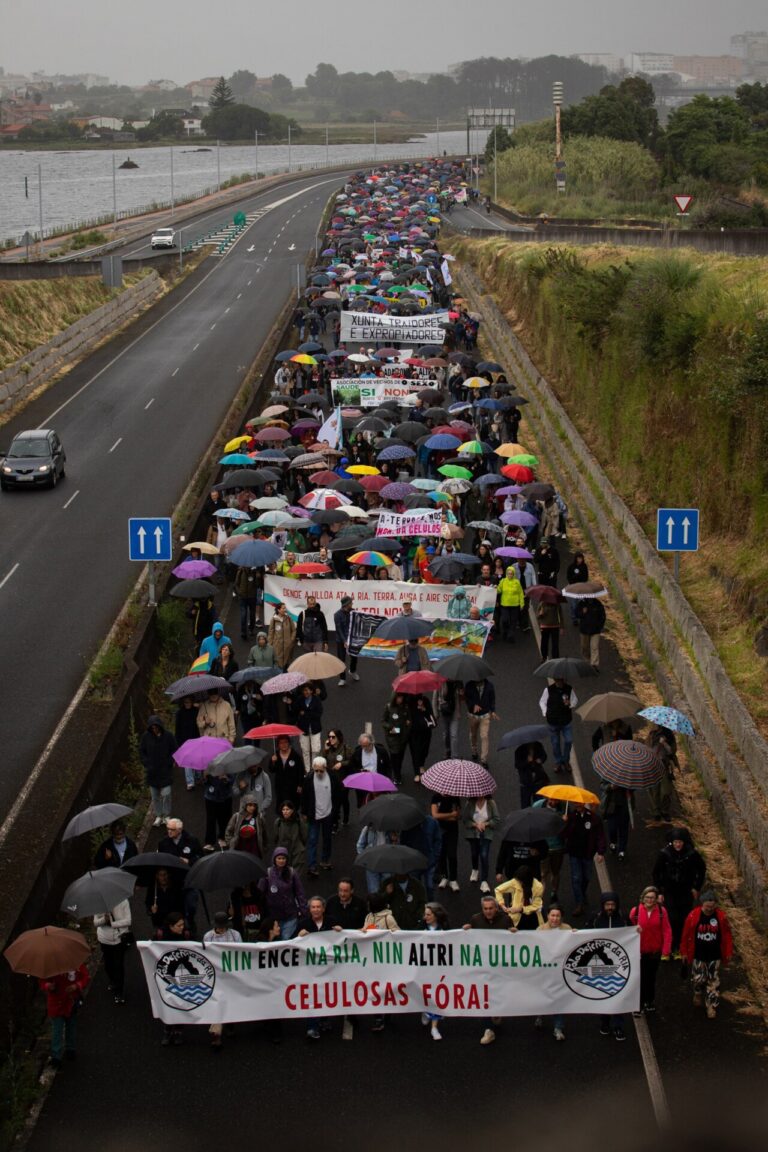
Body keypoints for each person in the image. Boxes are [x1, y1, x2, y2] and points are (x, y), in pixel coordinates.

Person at [466, 893, 515, 1044]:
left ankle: (497, 1011)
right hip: (483, 967)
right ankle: (488, 1030)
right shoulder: (475, 919)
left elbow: (514, 942)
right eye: (485, 909)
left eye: (491, 908)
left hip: (501, 966)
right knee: (484, 994)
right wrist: (465, 931)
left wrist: (515, 934)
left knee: (498, 992)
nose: (488, 911)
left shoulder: (506, 919)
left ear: (496, 908)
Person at [652, 827, 706, 955]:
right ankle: (670, 944)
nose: (678, 845)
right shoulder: (665, 854)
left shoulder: (692, 854)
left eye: (680, 842)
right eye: (675, 842)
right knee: (672, 918)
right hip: (670, 891)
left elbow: (702, 869)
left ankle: (680, 944)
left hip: (686, 891)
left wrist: (696, 887)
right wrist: (659, 892)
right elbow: (656, 873)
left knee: (684, 918)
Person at [680, 890, 733, 1020]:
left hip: (714, 955)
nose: (709, 909)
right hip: (698, 954)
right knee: (698, 978)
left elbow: (726, 935)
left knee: (713, 981)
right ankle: (697, 992)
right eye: (707, 906)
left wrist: (728, 952)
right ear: (702, 904)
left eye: (712, 906)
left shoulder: (720, 917)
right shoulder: (693, 916)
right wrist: (684, 952)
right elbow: (685, 935)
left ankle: (711, 1005)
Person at [587, 892, 630, 1041]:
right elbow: (585, 935)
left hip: (620, 964)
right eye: (607, 905)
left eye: (612, 905)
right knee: (603, 995)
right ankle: (604, 1021)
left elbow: (631, 933)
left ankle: (618, 1026)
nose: (610, 908)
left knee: (618, 995)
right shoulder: (595, 918)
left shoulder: (623, 918)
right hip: (601, 964)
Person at [203, 913, 243, 1049]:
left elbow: (242, 952)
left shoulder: (235, 935)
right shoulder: (208, 937)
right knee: (218, 1003)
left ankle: (230, 1023)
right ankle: (216, 1034)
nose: (221, 929)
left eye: (223, 927)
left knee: (230, 1000)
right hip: (217, 975)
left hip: (232, 974)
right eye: (219, 927)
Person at [630, 886, 672, 1015]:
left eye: (652, 898)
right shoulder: (635, 911)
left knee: (651, 978)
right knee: (640, 978)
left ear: (656, 899)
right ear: (643, 898)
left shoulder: (661, 911)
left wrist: (666, 950)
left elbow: (666, 930)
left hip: (654, 952)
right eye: (647, 897)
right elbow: (629, 929)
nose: (649, 900)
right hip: (639, 952)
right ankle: (639, 1004)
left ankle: (649, 1001)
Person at [40, 964, 90, 1068]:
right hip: (56, 1003)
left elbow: (85, 977)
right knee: (57, 1030)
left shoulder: (76, 963)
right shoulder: (49, 966)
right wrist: (48, 986)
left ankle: (70, 1049)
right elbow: (42, 982)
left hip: (71, 1001)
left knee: (71, 1026)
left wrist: (76, 986)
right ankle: (56, 1056)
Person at [158, 819, 203, 932]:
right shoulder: (163, 843)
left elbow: (201, 857)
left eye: (172, 830)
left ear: (179, 830)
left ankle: (190, 922)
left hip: (189, 881)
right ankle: (179, 930)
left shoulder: (192, 840)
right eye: (167, 829)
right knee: (176, 909)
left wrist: (189, 861)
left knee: (191, 906)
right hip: (172, 882)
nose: (169, 832)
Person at [536, 906, 573, 1040]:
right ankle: (539, 1014)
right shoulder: (540, 930)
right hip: (544, 970)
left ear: (561, 917)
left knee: (558, 999)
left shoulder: (567, 929)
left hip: (559, 972)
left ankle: (558, 1027)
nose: (555, 918)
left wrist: (577, 936)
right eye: (552, 915)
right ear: (547, 916)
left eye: (557, 916)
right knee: (542, 995)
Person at [301, 756, 342, 878]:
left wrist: (336, 813)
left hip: (328, 814)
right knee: (312, 840)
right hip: (314, 815)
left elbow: (337, 796)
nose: (318, 773)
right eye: (316, 770)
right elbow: (304, 797)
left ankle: (325, 860)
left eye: (321, 770)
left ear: (325, 768)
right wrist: (304, 812)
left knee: (327, 839)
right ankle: (312, 865)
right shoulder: (308, 779)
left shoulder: (333, 777)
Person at [562, 803, 606, 916]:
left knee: (586, 877)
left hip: (587, 854)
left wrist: (601, 852)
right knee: (576, 878)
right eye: (575, 803)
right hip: (574, 853)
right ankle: (579, 903)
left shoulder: (593, 818)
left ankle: (581, 893)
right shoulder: (570, 816)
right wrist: (564, 823)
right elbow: (564, 834)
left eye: (579, 803)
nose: (577, 805)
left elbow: (600, 835)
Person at [258, 847, 308, 940]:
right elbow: (260, 893)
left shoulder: (292, 873)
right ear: (274, 859)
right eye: (279, 858)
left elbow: (300, 893)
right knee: (275, 941)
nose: (281, 861)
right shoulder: (268, 873)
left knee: (286, 940)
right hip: (273, 918)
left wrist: (304, 911)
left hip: (290, 915)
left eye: (283, 858)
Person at [140, 714, 177, 828]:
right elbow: (142, 752)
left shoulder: (168, 736)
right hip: (152, 772)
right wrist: (147, 764)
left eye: (156, 727)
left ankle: (166, 815)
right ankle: (158, 815)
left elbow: (175, 750)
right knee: (155, 796)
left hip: (165, 771)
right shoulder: (146, 737)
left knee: (166, 794)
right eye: (152, 727)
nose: (154, 729)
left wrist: (169, 762)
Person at [419, 903, 450, 1040]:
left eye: (428, 915)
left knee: (438, 994)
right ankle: (425, 1011)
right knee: (424, 992)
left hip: (439, 967)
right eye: (425, 914)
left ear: (436, 916)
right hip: (423, 967)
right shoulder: (420, 926)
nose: (425, 917)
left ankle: (434, 1027)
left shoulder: (445, 928)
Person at [93, 898, 131, 1005]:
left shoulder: (123, 901)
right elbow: (95, 922)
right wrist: (104, 919)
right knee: (108, 965)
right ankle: (113, 981)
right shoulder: (98, 904)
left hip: (119, 939)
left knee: (118, 965)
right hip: (104, 939)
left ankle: (119, 992)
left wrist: (113, 923)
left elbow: (128, 920)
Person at [539, 677, 577, 774]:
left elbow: (575, 700)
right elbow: (542, 702)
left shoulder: (569, 689)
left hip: (566, 721)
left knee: (568, 741)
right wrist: (545, 712)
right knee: (555, 743)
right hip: (553, 722)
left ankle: (565, 760)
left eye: (561, 680)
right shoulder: (548, 690)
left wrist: (570, 704)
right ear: (555, 680)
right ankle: (558, 761)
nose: (560, 682)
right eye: (558, 680)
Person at [463, 794, 500, 892]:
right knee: (474, 853)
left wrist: (485, 824)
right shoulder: (470, 803)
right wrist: (475, 825)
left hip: (486, 834)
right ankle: (475, 869)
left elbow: (496, 819)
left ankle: (484, 881)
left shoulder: (491, 803)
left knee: (484, 855)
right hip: (473, 834)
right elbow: (465, 819)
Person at [495, 864, 544, 929]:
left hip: (533, 917)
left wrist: (521, 909)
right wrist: (502, 905)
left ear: (527, 879)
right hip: (516, 917)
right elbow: (498, 890)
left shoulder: (538, 887)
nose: (519, 882)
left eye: (521, 881)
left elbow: (536, 906)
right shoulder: (515, 881)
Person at [647, 726, 679, 822]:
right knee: (654, 790)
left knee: (666, 791)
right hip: (652, 765)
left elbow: (672, 752)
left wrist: (664, 743)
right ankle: (656, 811)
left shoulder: (669, 736)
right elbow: (646, 747)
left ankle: (665, 810)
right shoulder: (652, 734)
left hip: (664, 766)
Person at [465, 678, 498, 768]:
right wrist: (473, 705)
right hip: (473, 716)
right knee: (473, 735)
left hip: (485, 715)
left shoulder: (489, 686)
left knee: (484, 736)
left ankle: (484, 760)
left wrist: (493, 711)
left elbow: (492, 699)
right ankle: (474, 750)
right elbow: (466, 698)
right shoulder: (469, 685)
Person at [432, 793, 461, 892]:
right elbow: (435, 815)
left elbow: (456, 816)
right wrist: (450, 815)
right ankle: (444, 877)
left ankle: (453, 879)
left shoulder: (455, 797)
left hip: (453, 831)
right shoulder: (436, 797)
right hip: (439, 830)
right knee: (441, 854)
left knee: (452, 854)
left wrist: (443, 816)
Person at [325, 728, 354, 829]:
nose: (331, 739)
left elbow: (352, 761)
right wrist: (325, 749)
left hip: (343, 780)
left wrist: (342, 763)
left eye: (333, 737)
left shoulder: (346, 748)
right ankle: (335, 823)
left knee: (344, 800)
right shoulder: (327, 749)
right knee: (334, 802)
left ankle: (346, 817)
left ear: (338, 737)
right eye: (329, 737)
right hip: (331, 780)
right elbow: (321, 760)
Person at [381, 692, 412, 785]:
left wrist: (407, 727)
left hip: (403, 737)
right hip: (392, 737)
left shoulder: (406, 707)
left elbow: (409, 720)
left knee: (400, 756)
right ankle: (397, 776)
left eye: (401, 697)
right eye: (398, 697)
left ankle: (397, 771)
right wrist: (390, 727)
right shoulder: (389, 707)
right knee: (394, 755)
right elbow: (383, 721)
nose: (400, 699)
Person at [293, 682, 324, 767]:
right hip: (303, 729)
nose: (305, 692)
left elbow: (318, 714)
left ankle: (314, 768)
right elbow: (295, 710)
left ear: (311, 691)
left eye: (307, 690)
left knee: (316, 750)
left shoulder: (316, 700)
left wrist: (305, 713)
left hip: (315, 728)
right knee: (305, 750)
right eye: (303, 690)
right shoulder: (299, 699)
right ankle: (307, 770)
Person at [202, 769, 234, 849]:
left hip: (225, 796)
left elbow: (233, 780)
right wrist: (205, 777)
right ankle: (209, 842)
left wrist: (225, 779)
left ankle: (223, 838)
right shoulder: (208, 764)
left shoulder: (228, 762)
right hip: (210, 796)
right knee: (210, 820)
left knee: (225, 819)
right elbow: (203, 782)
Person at [272, 799, 307, 872]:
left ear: (292, 810)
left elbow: (304, 835)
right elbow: (275, 837)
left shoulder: (298, 821)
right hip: (283, 853)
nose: (285, 811)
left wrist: (301, 847)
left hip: (296, 851)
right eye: (283, 809)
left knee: (295, 874)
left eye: (287, 809)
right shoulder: (278, 822)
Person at [270, 736, 305, 808]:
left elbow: (301, 771)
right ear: (278, 745)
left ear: (289, 743)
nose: (284, 744)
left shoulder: (295, 755)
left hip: (293, 787)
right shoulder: (275, 755)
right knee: (281, 806)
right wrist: (273, 762)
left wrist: (300, 785)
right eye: (281, 743)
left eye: (285, 742)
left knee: (293, 806)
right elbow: (271, 770)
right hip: (280, 787)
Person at [408, 694, 435, 784]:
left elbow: (431, 714)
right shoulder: (409, 701)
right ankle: (416, 773)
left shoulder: (425, 700)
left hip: (426, 730)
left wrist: (424, 709)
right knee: (415, 751)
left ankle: (421, 764)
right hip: (414, 731)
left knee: (424, 750)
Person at [334, 596, 360, 685]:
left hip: (352, 640)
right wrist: (344, 641)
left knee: (354, 658)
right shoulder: (337, 615)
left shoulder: (354, 612)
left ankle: (352, 671)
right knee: (341, 660)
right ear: (346, 604)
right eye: (351, 603)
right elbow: (339, 629)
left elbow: (357, 624)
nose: (352, 604)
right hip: (341, 641)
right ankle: (342, 678)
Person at [515, 742, 548, 808]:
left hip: (537, 780)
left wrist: (541, 760)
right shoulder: (519, 751)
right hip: (526, 782)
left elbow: (544, 756)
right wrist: (527, 761)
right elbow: (517, 765)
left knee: (539, 803)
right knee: (525, 804)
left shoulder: (538, 745)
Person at [577, 597, 606, 672]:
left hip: (595, 630)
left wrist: (599, 626)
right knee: (584, 647)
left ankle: (594, 664)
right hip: (584, 630)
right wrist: (582, 612)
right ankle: (587, 661)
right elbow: (576, 614)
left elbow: (602, 616)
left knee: (594, 647)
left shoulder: (598, 604)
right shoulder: (581, 603)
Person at [496, 566, 525, 641]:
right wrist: (496, 587)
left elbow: (521, 593)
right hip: (504, 604)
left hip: (515, 605)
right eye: (508, 574)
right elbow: (499, 591)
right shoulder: (503, 581)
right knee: (505, 620)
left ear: (514, 574)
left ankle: (511, 635)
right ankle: (505, 631)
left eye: (511, 574)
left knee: (513, 621)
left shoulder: (517, 582)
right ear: (506, 574)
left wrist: (522, 604)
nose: (510, 575)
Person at [234, 564, 261, 641]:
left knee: (252, 614)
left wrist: (258, 578)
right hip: (243, 597)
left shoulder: (255, 572)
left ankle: (251, 629)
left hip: (252, 597)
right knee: (243, 615)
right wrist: (239, 593)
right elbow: (236, 584)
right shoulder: (240, 571)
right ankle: (243, 632)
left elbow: (258, 585)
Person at [267, 602, 296, 670]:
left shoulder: (288, 618)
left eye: (285, 608)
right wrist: (270, 644)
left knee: (287, 665)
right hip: (277, 646)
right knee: (278, 665)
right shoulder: (274, 620)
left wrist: (291, 640)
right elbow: (271, 633)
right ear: (278, 610)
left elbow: (294, 630)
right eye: (283, 608)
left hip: (287, 646)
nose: (285, 609)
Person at [438, 679, 463, 758]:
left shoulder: (457, 683)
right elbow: (435, 698)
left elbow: (462, 698)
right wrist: (436, 713)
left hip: (454, 712)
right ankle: (447, 750)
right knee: (446, 734)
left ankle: (454, 756)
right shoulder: (440, 682)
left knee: (454, 735)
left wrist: (461, 692)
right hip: (444, 711)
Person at [536, 595, 564, 659]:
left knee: (555, 644)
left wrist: (562, 627)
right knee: (544, 643)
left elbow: (561, 615)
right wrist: (540, 614)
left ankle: (555, 658)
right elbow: (537, 616)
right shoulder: (542, 604)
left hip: (555, 626)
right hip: (545, 627)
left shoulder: (557, 604)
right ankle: (544, 656)